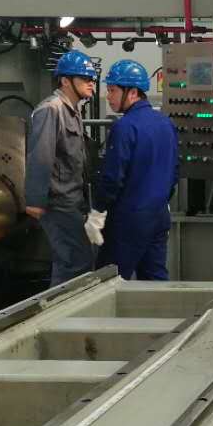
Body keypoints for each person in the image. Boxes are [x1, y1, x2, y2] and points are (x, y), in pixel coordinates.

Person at [90, 59, 178, 280]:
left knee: (108, 282)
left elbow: (112, 178)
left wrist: (97, 212)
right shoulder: (166, 124)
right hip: (159, 217)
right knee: (154, 279)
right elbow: (175, 171)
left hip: (128, 221)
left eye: (112, 90)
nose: (108, 96)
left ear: (132, 93)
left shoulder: (124, 127)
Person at [25, 50, 98, 286]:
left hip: (72, 199)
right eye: (85, 79)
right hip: (58, 202)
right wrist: (35, 200)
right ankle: (60, 306)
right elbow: (41, 156)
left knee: (72, 260)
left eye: (92, 79)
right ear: (66, 81)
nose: (91, 84)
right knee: (74, 262)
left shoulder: (72, 110)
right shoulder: (51, 109)